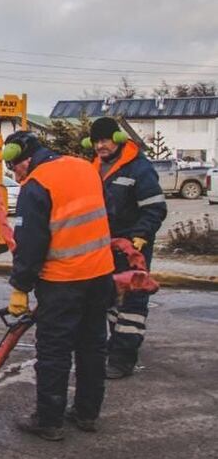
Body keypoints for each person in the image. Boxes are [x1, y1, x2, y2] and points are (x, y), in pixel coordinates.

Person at [3, 131, 116, 441]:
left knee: (54, 351)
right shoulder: (84, 167)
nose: (15, 174)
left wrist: (20, 286)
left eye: (14, 168)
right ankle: (87, 414)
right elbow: (110, 213)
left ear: (23, 158)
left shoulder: (36, 185)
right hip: (100, 275)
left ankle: (49, 420)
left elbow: (30, 243)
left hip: (63, 280)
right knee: (92, 347)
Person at [86, 117, 167, 379]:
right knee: (110, 299)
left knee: (132, 302)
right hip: (105, 248)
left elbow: (155, 207)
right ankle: (116, 345)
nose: (100, 146)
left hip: (133, 248)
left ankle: (123, 358)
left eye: (105, 140)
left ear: (118, 139)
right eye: (96, 141)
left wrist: (141, 236)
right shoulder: (96, 167)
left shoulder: (139, 168)